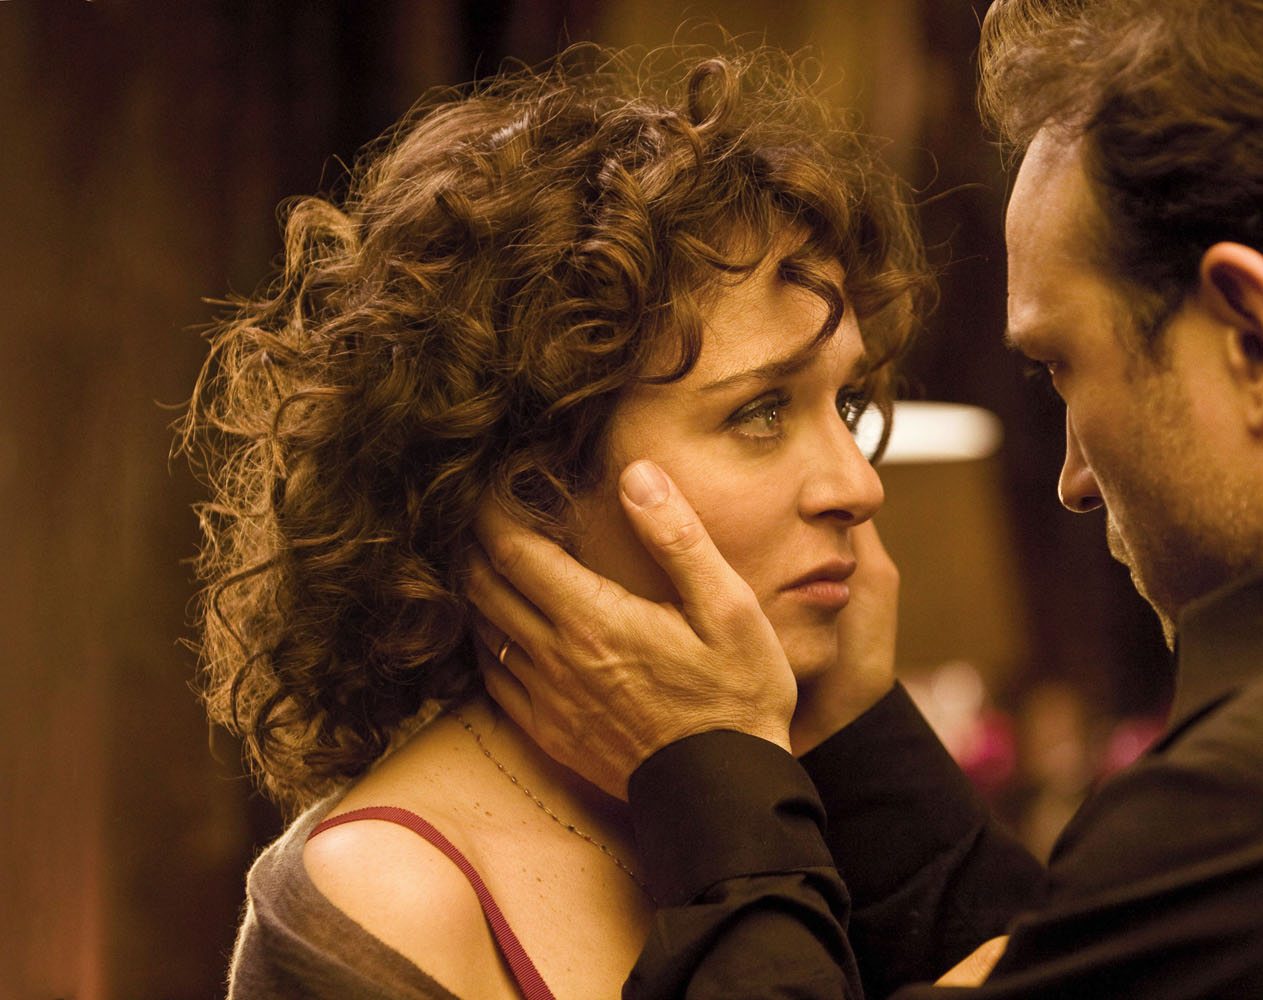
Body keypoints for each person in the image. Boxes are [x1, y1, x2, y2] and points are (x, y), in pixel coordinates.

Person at [465, 0, 1263, 996]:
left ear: (1255, 341)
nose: (1074, 480)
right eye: (765, 410)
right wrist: (854, 741)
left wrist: (711, 782)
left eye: (1063, 369)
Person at [176, 40, 938, 998]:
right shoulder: (395, 895)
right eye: (760, 411)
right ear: (533, 482)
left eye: (849, 406)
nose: (859, 486)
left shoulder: (813, 795)